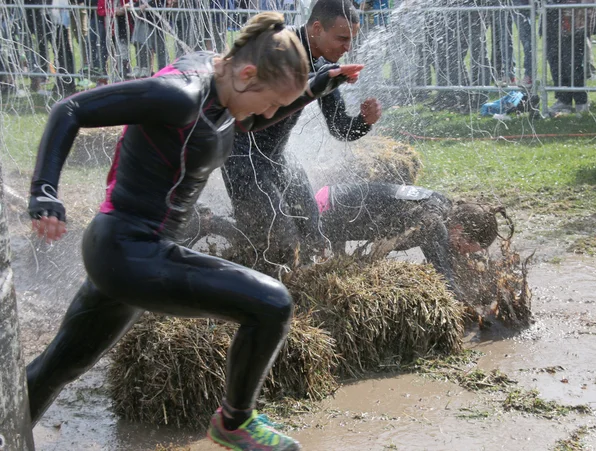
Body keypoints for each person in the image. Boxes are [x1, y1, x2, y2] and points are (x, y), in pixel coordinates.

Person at [26, 12, 362, 450]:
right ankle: (234, 421)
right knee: (273, 304)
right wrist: (45, 192)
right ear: (246, 74)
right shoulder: (178, 95)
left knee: (57, 367)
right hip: (129, 250)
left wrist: (319, 86)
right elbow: (70, 109)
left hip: (131, 255)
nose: (271, 114)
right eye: (271, 102)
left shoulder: (224, 90)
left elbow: (246, 120)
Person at [221, 0, 382, 269]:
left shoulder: (324, 64)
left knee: (313, 231)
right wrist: (320, 82)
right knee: (278, 241)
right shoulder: (280, 45)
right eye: (342, 38)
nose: (348, 48)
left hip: (278, 156)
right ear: (317, 28)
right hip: (241, 156)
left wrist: (365, 121)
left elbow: (340, 127)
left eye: (352, 39)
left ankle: (303, 297)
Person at [315, 183, 510, 295]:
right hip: (322, 210)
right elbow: (444, 277)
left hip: (329, 201)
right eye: (462, 248)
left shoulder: (441, 206)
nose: (461, 253)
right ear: (459, 229)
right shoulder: (434, 223)